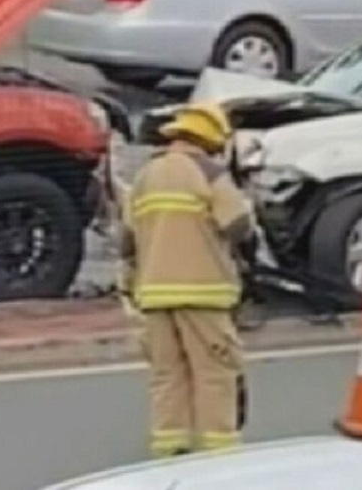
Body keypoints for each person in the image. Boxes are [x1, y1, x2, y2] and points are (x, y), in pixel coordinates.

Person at [117, 102, 255, 458]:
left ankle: (170, 452)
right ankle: (218, 457)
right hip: (203, 293)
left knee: (167, 376)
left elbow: (127, 241)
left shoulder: (146, 175)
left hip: (153, 296)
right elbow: (238, 226)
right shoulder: (207, 170)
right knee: (214, 375)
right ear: (211, 139)